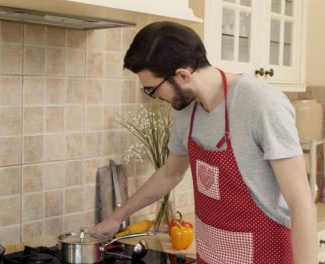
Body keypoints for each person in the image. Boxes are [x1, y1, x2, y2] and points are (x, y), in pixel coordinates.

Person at [89, 21, 317, 263]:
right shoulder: (186, 110)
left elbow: (301, 202)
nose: (154, 98)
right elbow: (170, 173)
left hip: (265, 252)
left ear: (183, 75)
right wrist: (117, 217)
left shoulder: (262, 104)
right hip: (211, 253)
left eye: (152, 90)